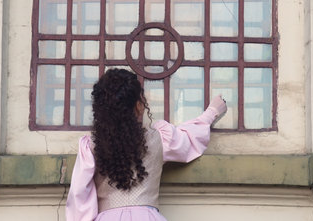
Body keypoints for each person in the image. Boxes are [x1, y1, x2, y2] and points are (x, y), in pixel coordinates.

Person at [65, 68, 227, 221]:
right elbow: (188, 139)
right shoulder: (159, 138)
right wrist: (211, 112)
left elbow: (79, 196)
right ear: (138, 105)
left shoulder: (92, 147)